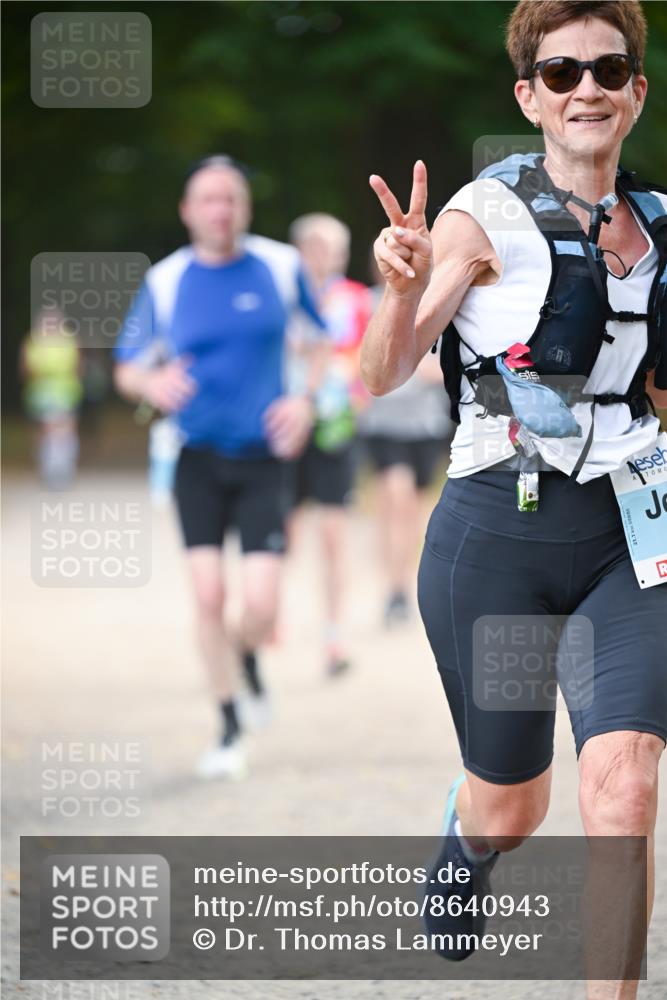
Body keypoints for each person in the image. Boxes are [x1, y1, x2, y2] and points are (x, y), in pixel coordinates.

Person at [362, 1, 666, 993]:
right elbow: (382, 369)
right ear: (528, 95)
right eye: (564, 72)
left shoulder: (660, 229)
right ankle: (470, 831)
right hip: (498, 530)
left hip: (630, 535)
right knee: (516, 806)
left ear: (635, 93)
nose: (588, 88)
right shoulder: (482, 214)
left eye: (608, 70)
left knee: (621, 796)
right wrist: (402, 289)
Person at [114, 156, 329, 779]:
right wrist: (151, 382)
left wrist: (304, 400)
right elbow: (129, 366)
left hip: (265, 458)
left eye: (230, 198)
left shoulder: (282, 268)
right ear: (187, 210)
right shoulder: (166, 281)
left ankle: (249, 658)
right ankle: (230, 722)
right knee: (209, 595)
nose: (220, 210)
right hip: (196, 459)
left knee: (260, 606)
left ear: (245, 207)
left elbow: (320, 339)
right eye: (207, 199)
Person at [287, 213, 372, 676]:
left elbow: (371, 357)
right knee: (283, 528)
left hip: (335, 427)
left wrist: (358, 396)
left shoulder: (357, 299)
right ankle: (272, 616)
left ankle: (334, 630)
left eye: (334, 248)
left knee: (333, 533)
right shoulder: (282, 296)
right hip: (287, 425)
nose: (327, 256)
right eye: (316, 246)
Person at [359, 261, 452, 626]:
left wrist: (426, 370)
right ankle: (393, 586)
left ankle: (402, 584)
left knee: (412, 509)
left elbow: (453, 365)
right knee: (394, 498)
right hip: (383, 422)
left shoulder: (439, 304)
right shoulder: (367, 305)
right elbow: (357, 358)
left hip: (425, 425)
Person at [21, 306, 83, 490]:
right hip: (58, 394)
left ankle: (52, 466)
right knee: (60, 431)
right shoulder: (68, 340)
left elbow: (26, 369)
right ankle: (59, 467)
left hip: (51, 394)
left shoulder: (34, 341)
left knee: (51, 432)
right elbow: (78, 366)